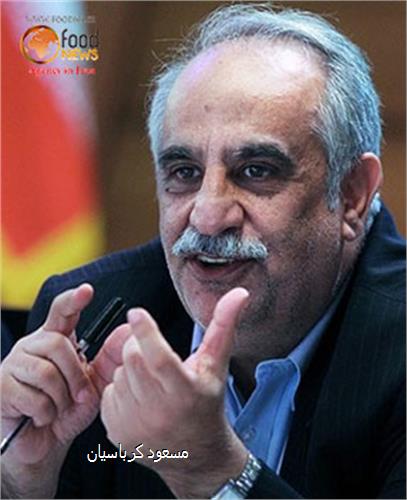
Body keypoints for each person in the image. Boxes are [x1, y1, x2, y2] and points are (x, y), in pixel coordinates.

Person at [1, 4, 405, 498]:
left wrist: (213, 471)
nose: (208, 216)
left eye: (256, 171)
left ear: (352, 194)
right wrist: (23, 480)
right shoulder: (93, 320)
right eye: (185, 173)